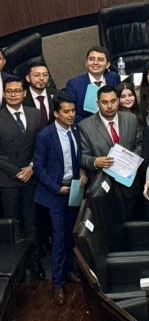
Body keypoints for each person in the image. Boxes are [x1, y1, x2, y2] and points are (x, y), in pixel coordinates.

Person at [33, 93, 87, 305]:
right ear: (56, 113)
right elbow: (39, 167)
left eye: (73, 111)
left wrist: (81, 170)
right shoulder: (45, 135)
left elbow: (76, 158)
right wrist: (57, 188)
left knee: (70, 236)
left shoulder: (75, 130)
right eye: (66, 112)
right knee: (58, 237)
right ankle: (57, 283)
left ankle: (67, 271)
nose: (71, 115)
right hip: (55, 194)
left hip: (73, 190)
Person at [0, 77, 40, 238]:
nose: (13, 95)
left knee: (32, 221)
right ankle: (17, 263)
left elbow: (42, 145)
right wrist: (16, 172)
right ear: (3, 94)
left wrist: (32, 166)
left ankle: (35, 260)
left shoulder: (35, 115)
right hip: (8, 179)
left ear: (24, 93)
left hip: (32, 177)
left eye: (17, 91)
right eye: (9, 91)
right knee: (13, 224)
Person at [64, 46, 121, 122]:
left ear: (107, 65)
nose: (95, 63)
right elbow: (71, 114)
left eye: (100, 60)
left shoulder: (114, 78)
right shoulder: (74, 84)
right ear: (86, 63)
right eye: (91, 59)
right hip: (86, 127)